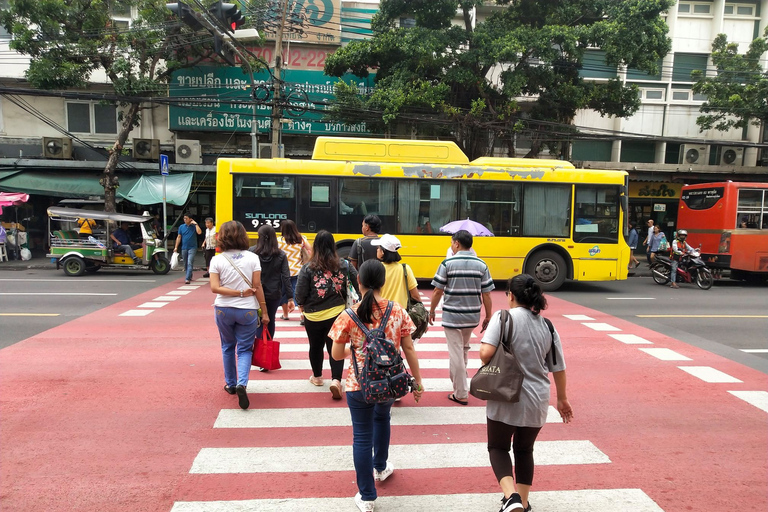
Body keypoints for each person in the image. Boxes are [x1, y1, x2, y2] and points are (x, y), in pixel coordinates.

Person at [329, 259, 424, 512]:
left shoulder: (349, 315)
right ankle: (380, 467)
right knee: (383, 419)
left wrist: (357, 349)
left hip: (359, 385)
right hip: (389, 384)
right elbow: (409, 348)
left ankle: (367, 496)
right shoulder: (397, 310)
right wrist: (418, 381)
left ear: (358, 282)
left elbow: (337, 356)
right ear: (383, 282)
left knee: (361, 437)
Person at [480, 274, 572, 512]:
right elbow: (558, 367)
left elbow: (485, 354)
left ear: (510, 295)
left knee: (498, 447)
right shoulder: (547, 325)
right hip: (537, 398)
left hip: (506, 394)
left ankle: (510, 497)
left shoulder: (503, 318)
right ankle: (522, 501)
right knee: (524, 449)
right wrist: (562, 399)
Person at [208, 221, 270, 410]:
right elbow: (257, 286)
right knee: (244, 349)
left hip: (223, 308)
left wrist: (235, 293)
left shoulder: (217, 260)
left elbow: (214, 288)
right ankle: (242, 383)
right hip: (247, 310)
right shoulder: (252, 258)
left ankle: (231, 384)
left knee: (227, 346)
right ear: (243, 236)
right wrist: (264, 311)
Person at [429, 229, 494, 405]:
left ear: (457, 243)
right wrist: (488, 316)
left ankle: (461, 392)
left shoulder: (447, 263)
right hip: (472, 316)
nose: (451, 245)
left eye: (451, 242)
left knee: (456, 352)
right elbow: (486, 294)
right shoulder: (482, 265)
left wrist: (432, 310)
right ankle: (459, 384)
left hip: (452, 316)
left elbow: (437, 290)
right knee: (463, 349)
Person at [295, 230, 359, 400]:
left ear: (315, 246)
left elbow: (299, 294)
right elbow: (357, 283)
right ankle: (336, 380)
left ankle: (317, 377)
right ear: (333, 245)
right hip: (337, 314)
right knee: (335, 347)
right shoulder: (344, 264)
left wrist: (302, 304)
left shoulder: (307, 268)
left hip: (313, 315)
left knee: (315, 347)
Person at [250, 224, 294, 370]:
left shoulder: (252, 253)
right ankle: (266, 350)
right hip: (274, 293)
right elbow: (286, 277)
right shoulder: (280, 254)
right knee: (270, 320)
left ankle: (258, 350)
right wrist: (290, 297)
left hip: (256, 292)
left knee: (258, 320)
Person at [371, 234, 420, 309]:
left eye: (378, 247)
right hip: (400, 315)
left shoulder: (376, 268)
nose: (377, 250)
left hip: (381, 313)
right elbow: (415, 296)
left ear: (383, 252)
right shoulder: (405, 268)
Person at [277, 220, 312, 321]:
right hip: (298, 271)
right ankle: (302, 315)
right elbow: (310, 249)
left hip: (284, 272)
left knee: (284, 293)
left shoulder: (278, 241)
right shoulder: (301, 239)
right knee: (299, 293)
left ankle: (285, 314)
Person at [174, 212, 202, 284]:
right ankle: (189, 275)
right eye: (184, 218)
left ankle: (187, 278)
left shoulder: (194, 226)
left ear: (190, 219)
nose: (185, 220)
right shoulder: (181, 227)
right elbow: (179, 237)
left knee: (190, 262)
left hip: (192, 247)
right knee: (185, 263)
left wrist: (195, 224)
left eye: (186, 218)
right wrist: (176, 247)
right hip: (184, 247)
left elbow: (199, 232)